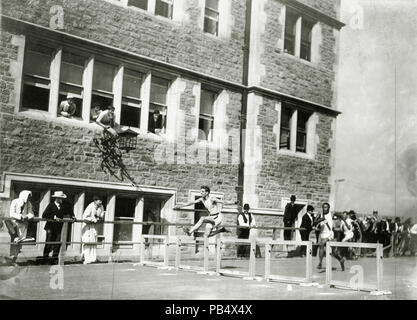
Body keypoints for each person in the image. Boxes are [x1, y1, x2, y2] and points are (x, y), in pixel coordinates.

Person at [42, 191, 75, 264]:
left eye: (62, 198)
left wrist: (73, 216)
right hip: (50, 227)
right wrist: (53, 217)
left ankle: (54, 259)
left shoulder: (63, 206)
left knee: (57, 243)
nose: (61, 200)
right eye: (60, 198)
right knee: (48, 243)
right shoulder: (51, 205)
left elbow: (70, 211)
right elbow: (44, 215)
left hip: (59, 228)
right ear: (56, 198)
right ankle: (45, 259)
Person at [6, 190, 35, 263]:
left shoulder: (29, 204)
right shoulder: (15, 201)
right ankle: (11, 257)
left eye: (29, 197)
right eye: (27, 196)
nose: (28, 198)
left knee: (19, 242)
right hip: (14, 223)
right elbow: (11, 213)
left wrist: (27, 216)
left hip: (23, 225)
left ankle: (14, 258)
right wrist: (20, 216)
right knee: (14, 239)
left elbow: (31, 213)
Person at [315, 202, 345, 271]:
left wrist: (342, 218)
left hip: (329, 234)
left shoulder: (331, 214)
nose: (324, 208)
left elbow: (340, 215)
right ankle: (341, 259)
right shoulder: (320, 214)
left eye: (326, 207)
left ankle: (320, 263)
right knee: (334, 252)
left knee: (321, 244)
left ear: (328, 208)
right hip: (323, 233)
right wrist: (319, 219)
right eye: (323, 207)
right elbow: (315, 222)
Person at [81, 196, 105, 264]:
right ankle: (86, 258)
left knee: (94, 241)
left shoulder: (101, 207)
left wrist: (98, 219)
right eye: (99, 201)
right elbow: (84, 217)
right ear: (95, 201)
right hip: (87, 227)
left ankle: (93, 258)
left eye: (101, 201)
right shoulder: (90, 206)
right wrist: (92, 219)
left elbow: (101, 216)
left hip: (94, 227)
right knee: (87, 241)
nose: (101, 202)